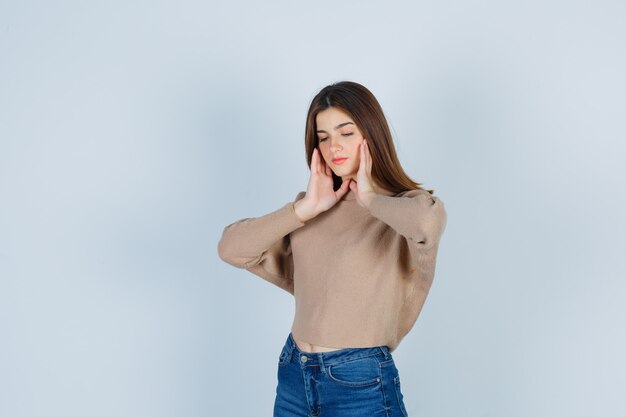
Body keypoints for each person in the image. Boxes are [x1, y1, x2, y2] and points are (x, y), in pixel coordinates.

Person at [217, 81, 447, 417]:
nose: (333, 146)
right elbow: (230, 248)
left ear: (371, 135)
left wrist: (369, 198)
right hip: (294, 373)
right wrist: (304, 208)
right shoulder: (313, 209)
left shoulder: (405, 208)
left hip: (360, 381)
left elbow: (427, 225)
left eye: (346, 132)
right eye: (323, 137)